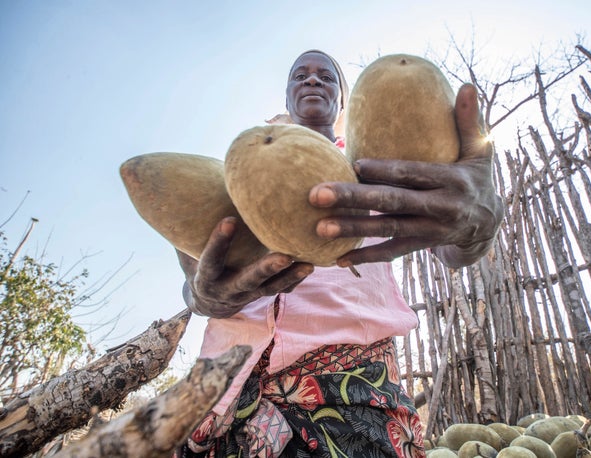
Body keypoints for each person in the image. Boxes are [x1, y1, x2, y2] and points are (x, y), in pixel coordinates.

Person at [174, 50, 504, 458]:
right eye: (301, 74)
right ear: (288, 93)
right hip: (217, 390)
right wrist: (200, 298)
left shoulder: (378, 165)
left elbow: (451, 246)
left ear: (343, 100)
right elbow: (198, 280)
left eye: (326, 76)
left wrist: (475, 231)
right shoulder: (240, 169)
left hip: (352, 388)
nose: (313, 80)